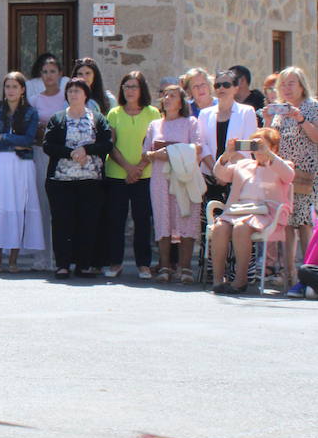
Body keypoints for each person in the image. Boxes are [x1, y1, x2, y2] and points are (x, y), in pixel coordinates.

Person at [42, 78, 113, 280]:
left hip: (91, 181)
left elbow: (107, 143)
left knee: (87, 223)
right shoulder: (57, 119)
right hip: (61, 181)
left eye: (77, 91)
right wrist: (70, 153)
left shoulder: (98, 118)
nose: (73, 94)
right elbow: (48, 145)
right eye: (70, 91)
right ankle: (62, 264)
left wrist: (86, 150)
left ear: (85, 95)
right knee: (62, 222)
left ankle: (83, 265)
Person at [210, 129, 293, 294]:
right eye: (254, 145)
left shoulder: (281, 164)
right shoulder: (243, 164)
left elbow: (289, 176)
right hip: (238, 209)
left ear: (273, 147)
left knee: (241, 227)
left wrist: (269, 155)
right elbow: (220, 174)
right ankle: (218, 280)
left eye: (261, 145)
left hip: (265, 212)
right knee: (219, 227)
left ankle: (240, 280)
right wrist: (227, 154)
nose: (257, 149)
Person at [0, 72, 42, 272]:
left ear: (22, 89)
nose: (11, 90)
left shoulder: (31, 113)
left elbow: (29, 139)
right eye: (8, 86)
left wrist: (4, 137)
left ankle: (13, 260)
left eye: (15, 86)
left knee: (17, 209)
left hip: (21, 165)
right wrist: (14, 143)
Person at [265, 66, 318, 296]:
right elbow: (270, 142)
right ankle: (290, 277)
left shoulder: (311, 106)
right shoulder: (279, 111)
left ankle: (309, 276)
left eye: (291, 83)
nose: (286, 88)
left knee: (305, 225)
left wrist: (301, 119)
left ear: (302, 85)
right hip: (284, 175)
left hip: (307, 174)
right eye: (283, 84)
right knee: (286, 224)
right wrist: (267, 121)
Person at [143, 84, 204, 283]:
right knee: (163, 219)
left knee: (186, 217)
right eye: (165, 95)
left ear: (181, 101)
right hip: (160, 178)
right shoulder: (154, 125)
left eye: (173, 95)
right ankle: (165, 266)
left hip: (183, 177)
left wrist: (172, 150)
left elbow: (196, 147)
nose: (167, 98)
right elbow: (146, 152)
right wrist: (156, 154)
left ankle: (185, 267)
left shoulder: (190, 123)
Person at [102, 71, 160, 280]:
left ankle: (144, 264)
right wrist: (128, 167)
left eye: (134, 86)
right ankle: (115, 262)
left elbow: (155, 144)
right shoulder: (114, 113)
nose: (130, 90)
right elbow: (111, 144)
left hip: (145, 175)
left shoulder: (153, 113)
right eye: (126, 86)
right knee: (115, 220)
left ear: (141, 89)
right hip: (117, 174)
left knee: (143, 220)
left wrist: (139, 168)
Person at [198, 69, 259, 209]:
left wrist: (225, 172)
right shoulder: (205, 114)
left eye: (226, 84)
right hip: (210, 175)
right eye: (217, 85)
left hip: (237, 174)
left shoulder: (247, 111)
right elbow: (202, 144)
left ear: (236, 87)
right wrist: (216, 170)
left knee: (235, 220)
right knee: (210, 221)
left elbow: (248, 145)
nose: (221, 88)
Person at [29, 56, 67, 270]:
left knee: (60, 207)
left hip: (62, 156)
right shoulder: (34, 100)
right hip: (40, 153)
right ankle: (42, 257)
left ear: (60, 74)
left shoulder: (66, 99)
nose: (49, 75)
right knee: (42, 205)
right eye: (45, 71)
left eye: (53, 71)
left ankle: (61, 256)